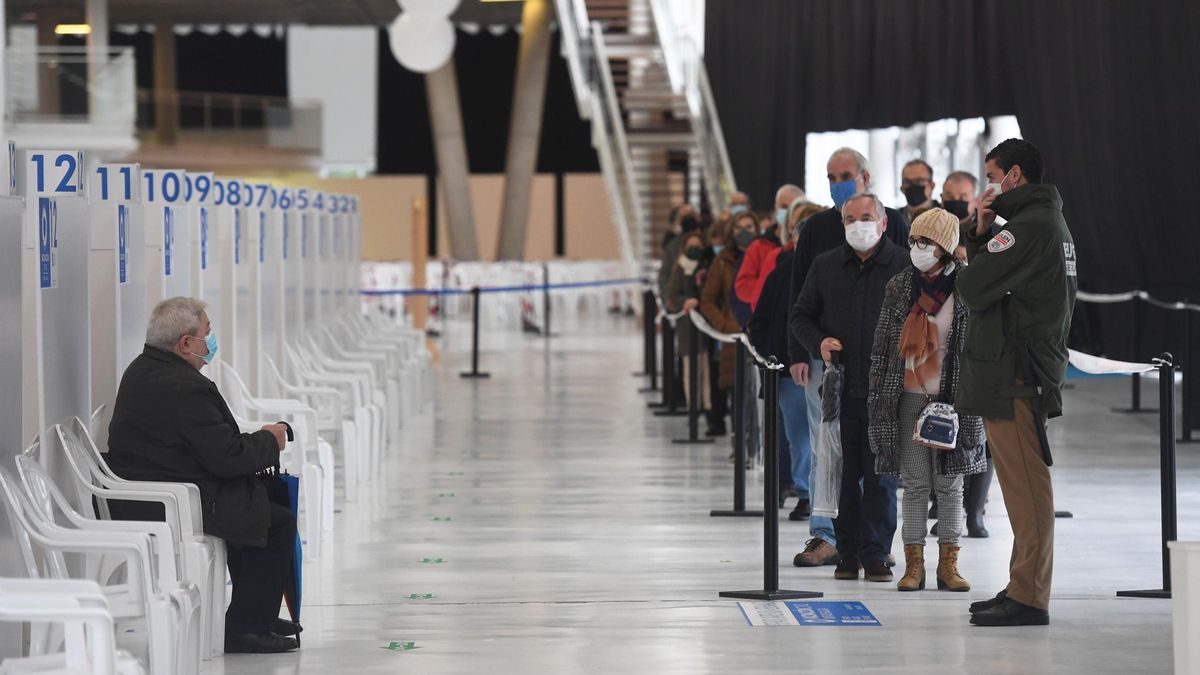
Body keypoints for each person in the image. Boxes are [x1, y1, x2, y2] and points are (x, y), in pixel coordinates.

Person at [105, 297, 299, 654]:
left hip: (157, 485)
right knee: (275, 521)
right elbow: (226, 457)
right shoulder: (183, 386)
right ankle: (246, 628)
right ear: (185, 344)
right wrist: (269, 441)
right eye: (207, 334)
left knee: (253, 503)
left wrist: (256, 443)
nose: (211, 342)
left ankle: (255, 613)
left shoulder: (145, 368)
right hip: (167, 499)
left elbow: (211, 445)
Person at [957, 139, 1077, 627]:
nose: (988, 186)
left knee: (1027, 490)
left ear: (1016, 175)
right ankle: (1020, 585)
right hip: (1019, 367)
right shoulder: (1044, 224)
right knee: (1020, 489)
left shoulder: (1030, 228)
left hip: (1016, 372)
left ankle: (1029, 596)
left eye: (992, 176)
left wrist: (980, 238)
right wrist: (986, 231)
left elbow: (971, 286)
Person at [787, 148, 909, 567]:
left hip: (886, 377)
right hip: (833, 372)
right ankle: (834, 540)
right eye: (830, 175)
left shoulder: (899, 249)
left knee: (880, 466)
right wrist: (807, 348)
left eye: (845, 175)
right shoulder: (820, 245)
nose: (858, 226)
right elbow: (798, 304)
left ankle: (875, 548)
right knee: (834, 460)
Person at [867, 209, 987, 593]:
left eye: (927, 242)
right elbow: (883, 346)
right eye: (915, 241)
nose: (918, 248)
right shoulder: (900, 286)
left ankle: (948, 565)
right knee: (916, 484)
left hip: (952, 402)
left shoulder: (968, 287)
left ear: (947, 247)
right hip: (907, 397)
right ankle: (913, 565)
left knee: (951, 485)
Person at [749, 198, 826, 525]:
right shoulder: (781, 272)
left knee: (822, 435)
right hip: (789, 366)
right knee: (801, 435)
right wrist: (773, 357)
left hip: (821, 362)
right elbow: (762, 320)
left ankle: (821, 495)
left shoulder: (830, 271)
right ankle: (807, 493)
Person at [700, 213, 758, 439]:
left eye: (749, 226)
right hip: (733, 336)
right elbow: (708, 299)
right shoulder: (722, 261)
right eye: (740, 228)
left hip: (758, 334)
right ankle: (739, 442)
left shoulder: (765, 256)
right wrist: (724, 324)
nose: (745, 231)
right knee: (737, 391)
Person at [666, 230, 712, 421]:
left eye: (698, 245)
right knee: (689, 367)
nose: (695, 249)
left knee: (705, 367)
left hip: (705, 325)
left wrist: (698, 300)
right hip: (686, 325)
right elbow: (673, 293)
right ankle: (692, 404)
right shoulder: (679, 267)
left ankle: (707, 404)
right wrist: (687, 301)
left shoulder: (707, 265)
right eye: (691, 245)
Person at [734, 184, 803, 312]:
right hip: (766, 318)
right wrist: (774, 293)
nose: (788, 212)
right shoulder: (759, 246)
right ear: (775, 207)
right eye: (784, 207)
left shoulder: (805, 246)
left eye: (793, 207)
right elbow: (742, 287)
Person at [900, 159, 939, 224]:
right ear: (902, 188)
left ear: (932, 186)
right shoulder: (893, 220)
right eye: (907, 182)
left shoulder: (947, 219)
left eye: (919, 181)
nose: (913, 186)